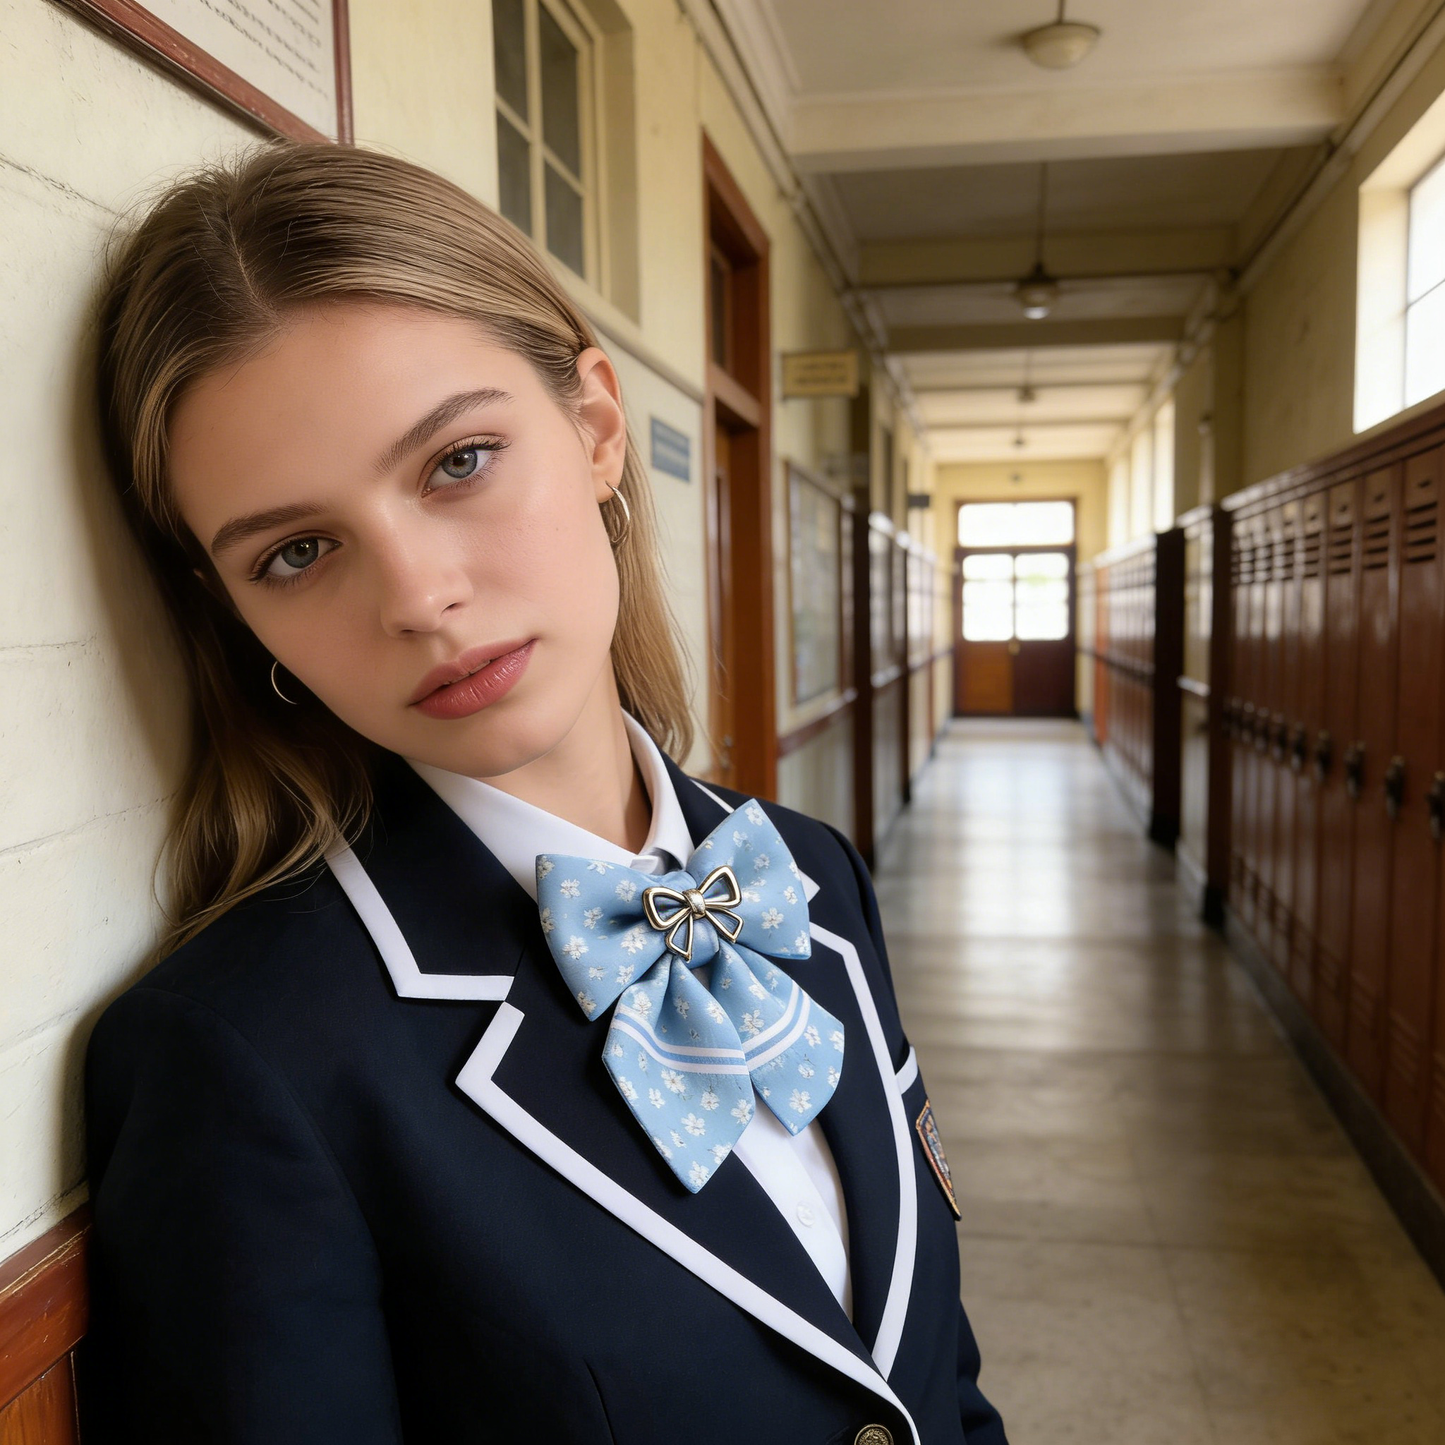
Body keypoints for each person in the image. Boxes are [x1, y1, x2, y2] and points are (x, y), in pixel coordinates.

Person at [79, 140, 1007, 1445]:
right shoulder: (242, 1057)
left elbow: (936, 1384)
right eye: (297, 551)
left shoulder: (808, 871)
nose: (419, 598)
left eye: (459, 461)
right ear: (235, 611)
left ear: (597, 428)